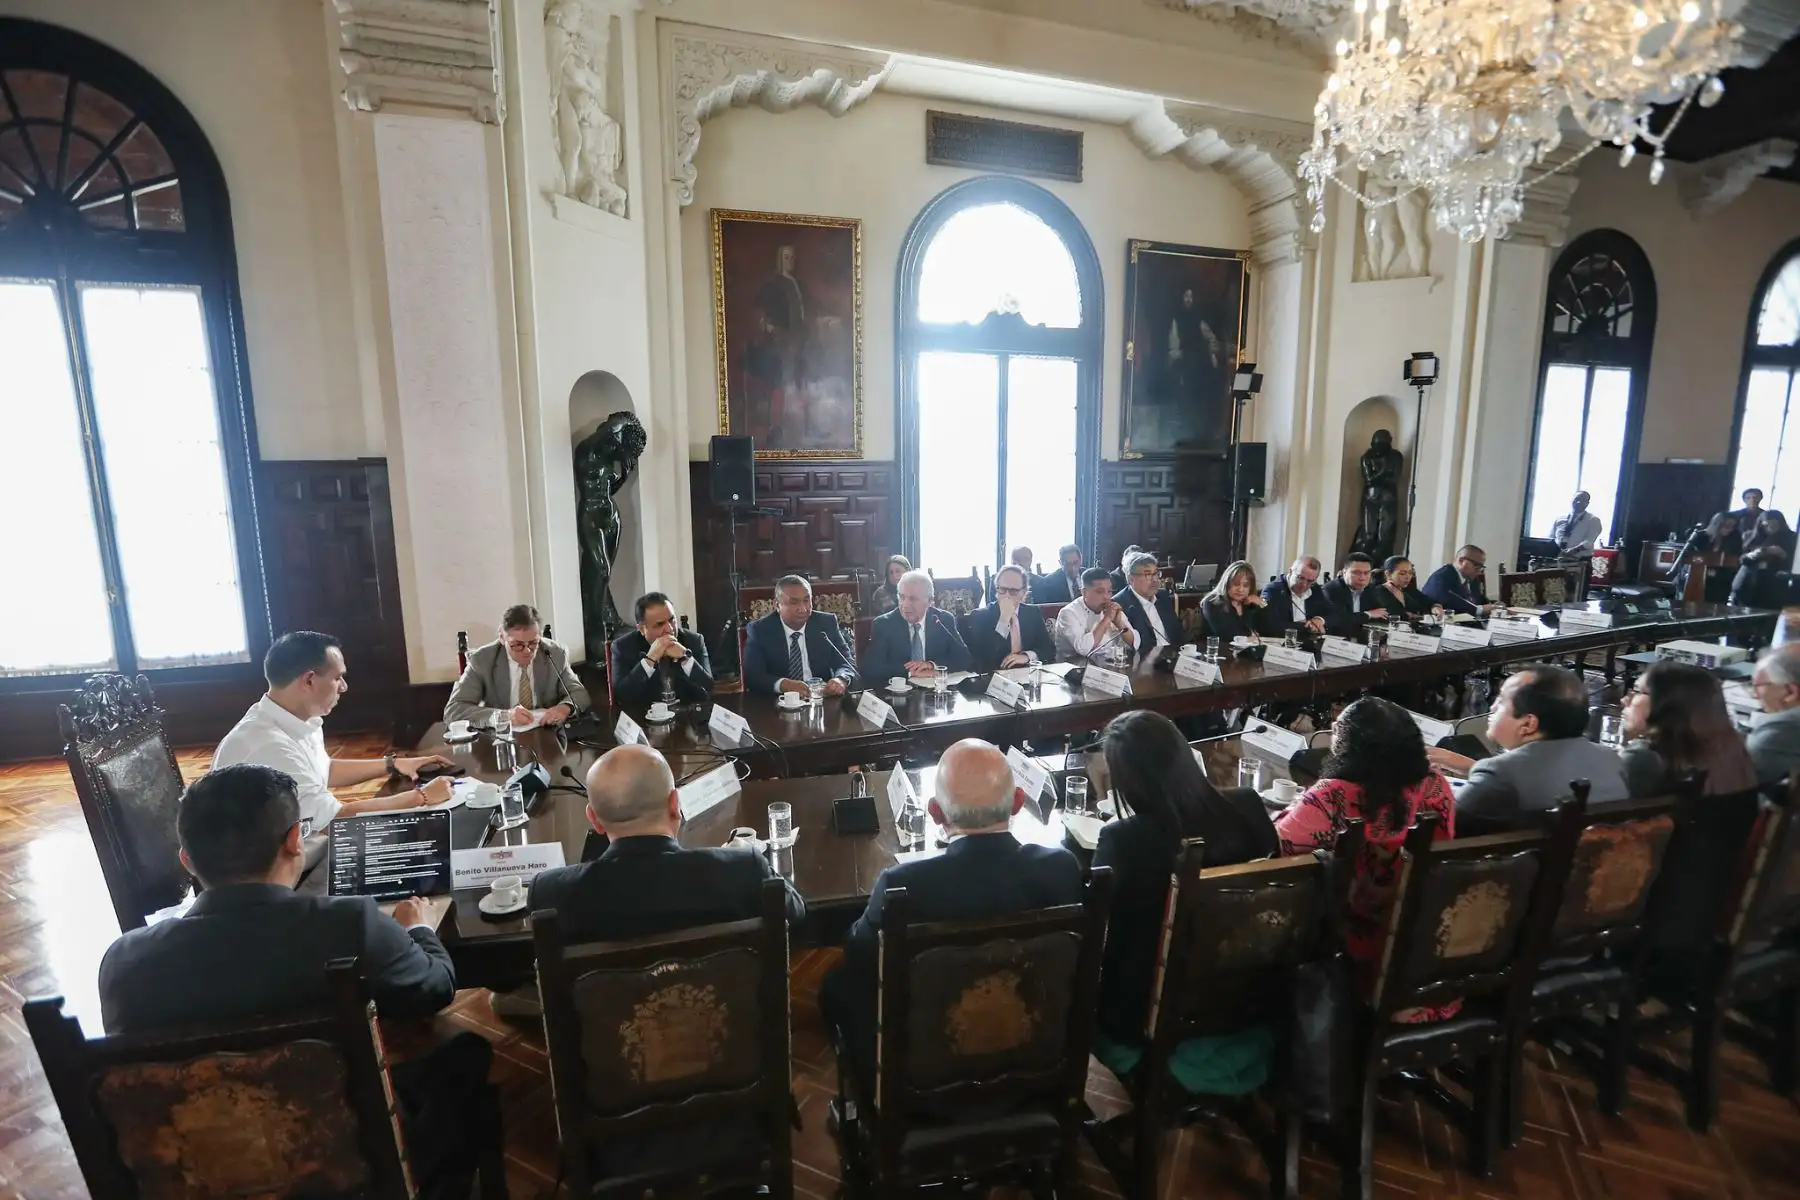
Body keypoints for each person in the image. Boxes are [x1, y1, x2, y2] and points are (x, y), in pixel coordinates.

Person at [98, 764, 503, 1196]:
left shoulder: (123, 963)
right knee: (466, 1055)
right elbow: (434, 988)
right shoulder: (348, 925)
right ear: (295, 841)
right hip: (345, 1162)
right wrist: (418, 929)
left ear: (187, 860)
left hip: (196, 1172)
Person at [820, 739, 1083, 1092]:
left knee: (836, 986)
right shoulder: (1062, 868)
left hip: (923, 1086)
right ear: (1018, 803)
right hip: (1035, 1068)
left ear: (935, 813)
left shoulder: (903, 884)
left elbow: (859, 955)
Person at [1092, 712, 1278, 1086]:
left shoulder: (1124, 841)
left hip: (1151, 1019)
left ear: (1127, 781)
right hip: (1249, 1000)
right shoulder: (1248, 807)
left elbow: (1099, 930)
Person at [1274, 697, 1459, 1022]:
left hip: (1353, 965)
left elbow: (1279, 848)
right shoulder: (1435, 786)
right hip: (1431, 960)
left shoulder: (1331, 796)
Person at [528, 745, 803, 943]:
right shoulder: (742, 870)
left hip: (609, 1022)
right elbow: (795, 913)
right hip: (724, 1017)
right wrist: (745, 860)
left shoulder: (550, 894)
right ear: (675, 804)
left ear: (594, 820)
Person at [215, 631, 454, 835]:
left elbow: (324, 769)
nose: (344, 687)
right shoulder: (268, 745)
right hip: (267, 874)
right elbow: (334, 821)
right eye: (338, 677)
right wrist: (421, 797)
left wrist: (393, 764)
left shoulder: (291, 718)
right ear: (309, 680)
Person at [1428, 665, 1629, 833]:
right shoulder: (1612, 759)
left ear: (1528, 724)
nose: (1492, 707)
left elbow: (1446, 830)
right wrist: (1476, 767)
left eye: (1501, 700)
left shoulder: (1501, 774)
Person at [1618, 661, 1758, 798]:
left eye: (1636, 691)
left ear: (1666, 703)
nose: (1624, 699)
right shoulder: (1733, 751)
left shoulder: (1642, 759)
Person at [446, 604, 590, 729]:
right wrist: (503, 716)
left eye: (533, 643)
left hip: (547, 733)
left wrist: (565, 708)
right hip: (503, 739)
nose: (527, 651)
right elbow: (454, 710)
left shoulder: (555, 653)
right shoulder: (482, 660)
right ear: (502, 638)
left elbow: (579, 693)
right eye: (517, 645)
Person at [741, 574, 857, 697]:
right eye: (794, 602)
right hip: (779, 702)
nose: (803, 608)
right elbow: (754, 676)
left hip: (822, 698)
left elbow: (846, 662)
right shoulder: (760, 630)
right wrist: (784, 685)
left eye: (807, 600)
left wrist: (841, 679)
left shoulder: (826, 623)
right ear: (777, 605)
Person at [864, 569, 973, 681]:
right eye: (902, 597)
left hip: (936, 691)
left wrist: (931, 665)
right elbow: (872, 669)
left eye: (913, 599)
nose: (905, 605)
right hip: (898, 693)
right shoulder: (883, 624)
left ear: (930, 601)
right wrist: (911, 672)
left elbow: (964, 658)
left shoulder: (943, 620)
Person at [609, 591, 712, 709]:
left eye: (672, 620)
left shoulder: (694, 641)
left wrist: (685, 658)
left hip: (686, 718)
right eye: (659, 624)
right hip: (644, 720)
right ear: (642, 629)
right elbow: (622, 697)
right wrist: (650, 659)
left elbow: (708, 689)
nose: (669, 629)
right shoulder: (623, 647)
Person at [967, 565, 1054, 670]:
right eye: (1003, 589)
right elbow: (985, 659)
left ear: (1024, 592)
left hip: (1027, 674)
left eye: (1013, 591)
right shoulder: (981, 616)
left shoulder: (1032, 613)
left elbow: (1049, 650)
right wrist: (1003, 621)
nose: (1007, 595)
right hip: (994, 677)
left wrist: (1026, 656)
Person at [1053, 567, 1138, 658]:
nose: (1106, 597)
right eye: (1100, 591)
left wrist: (1119, 623)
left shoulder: (1111, 608)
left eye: (1109, 591)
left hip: (1109, 664)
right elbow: (1083, 649)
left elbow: (1135, 643)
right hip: (1076, 666)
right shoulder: (1068, 613)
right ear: (1084, 592)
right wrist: (1107, 619)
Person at [1748, 644, 1800, 788]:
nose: (1754, 695)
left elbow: (1733, 778)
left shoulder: (1783, 729)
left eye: (1757, 686)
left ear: (1790, 692)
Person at [1117, 550, 1182, 652]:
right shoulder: (1121, 604)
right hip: (1143, 662)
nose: (1155, 579)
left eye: (1156, 573)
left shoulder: (1163, 597)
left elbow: (1178, 635)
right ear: (1131, 579)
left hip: (1173, 657)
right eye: (1148, 574)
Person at [1730, 510, 1794, 606]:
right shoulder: (1751, 535)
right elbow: (1741, 559)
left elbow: (1794, 564)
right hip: (1747, 583)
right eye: (1766, 525)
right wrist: (1755, 554)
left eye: (1774, 525)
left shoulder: (1792, 537)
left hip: (1773, 586)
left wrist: (1782, 554)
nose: (1770, 528)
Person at [1260, 555, 1333, 637]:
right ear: (1290, 571)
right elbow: (1270, 625)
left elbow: (1334, 615)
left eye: (1310, 581)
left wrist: (1319, 620)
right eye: (1300, 578)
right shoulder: (1273, 590)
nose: (1304, 585)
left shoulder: (1315, 589)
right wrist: (1309, 627)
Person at [1198, 560, 1272, 641]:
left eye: (1246, 585)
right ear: (1227, 583)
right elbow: (1227, 635)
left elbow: (1269, 626)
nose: (1240, 589)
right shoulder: (1212, 602)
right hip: (1216, 650)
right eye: (1236, 584)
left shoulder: (1248, 603)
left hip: (1244, 650)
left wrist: (1262, 603)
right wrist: (1250, 638)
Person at [1321, 552, 1392, 633]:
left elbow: (1383, 614)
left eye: (1366, 573)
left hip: (1362, 639)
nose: (1362, 578)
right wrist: (1368, 614)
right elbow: (1339, 621)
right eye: (1356, 573)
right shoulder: (1331, 590)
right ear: (1344, 572)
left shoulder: (1371, 589)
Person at [1421, 544, 1494, 617]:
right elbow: (1449, 606)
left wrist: (1496, 607)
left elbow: (1480, 601)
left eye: (1481, 567)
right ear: (1461, 561)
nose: (1479, 571)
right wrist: (1479, 610)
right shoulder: (1441, 578)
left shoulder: (1472, 579)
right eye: (1476, 566)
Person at [1374, 556, 1442, 617]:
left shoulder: (1409, 589)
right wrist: (1420, 617)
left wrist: (1436, 608)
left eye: (1410, 573)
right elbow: (1396, 614)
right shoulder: (1380, 592)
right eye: (1402, 573)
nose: (1408, 577)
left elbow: (1430, 602)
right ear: (1388, 574)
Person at [1550, 490, 1603, 559]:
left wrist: (1572, 551)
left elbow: (1588, 541)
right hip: (1557, 558)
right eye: (1576, 499)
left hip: (1580, 560)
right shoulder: (1560, 518)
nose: (1578, 502)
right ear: (1572, 500)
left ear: (1587, 503)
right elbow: (1551, 537)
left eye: (1583, 500)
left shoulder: (1593, 520)